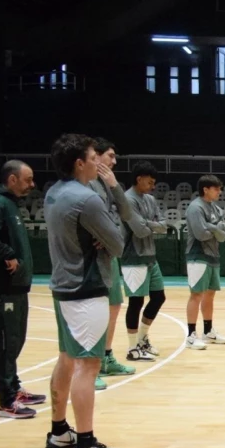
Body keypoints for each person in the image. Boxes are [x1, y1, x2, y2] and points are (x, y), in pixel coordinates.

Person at [43, 133, 130, 448]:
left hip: (61, 285)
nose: (99, 163)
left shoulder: (53, 193)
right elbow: (118, 243)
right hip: (86, 287)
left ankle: (58, 431)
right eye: (94, 158)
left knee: (66, 359)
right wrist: (103, 235)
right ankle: (86, 445)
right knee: (87, 366)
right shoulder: (87, 199)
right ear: (79, 163)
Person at [0, 159, 44, 418]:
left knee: (14, 339)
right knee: (5, 341)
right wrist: (7, 254)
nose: (32, 184)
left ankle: (13, 387)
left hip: (16, 286)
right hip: (3, 286)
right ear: (12, 179)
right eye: (27, 179)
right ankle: (6, 400)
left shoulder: (9, 203)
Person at [91, 139, 137, 386]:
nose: (114, 161)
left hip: (110, 255)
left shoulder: (108, 184)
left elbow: (127, 213)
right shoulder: (85, 184)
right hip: (92, 259)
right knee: (97, 310)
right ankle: (93, 365)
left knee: (114, 306)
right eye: (110, 155)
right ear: (95, 157)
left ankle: (106, 357)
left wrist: (114, 186)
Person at [120, 162, 169, 362]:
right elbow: (139, 230)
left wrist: (147, 224)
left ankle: (142, 339)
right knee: (136, 302)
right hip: (133, 258)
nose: (153, 186)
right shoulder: (127, 200)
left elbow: (164, 226)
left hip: (150, 257)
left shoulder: (149, 199)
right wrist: (152, 226)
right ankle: (132, 349)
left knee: (158, 297)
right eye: (150, 182)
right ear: (139, 178)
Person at [184, 174, 225, 349]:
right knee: (196, 294)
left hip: (213, 256)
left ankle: (208, 331)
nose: (220, 192)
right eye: (216, 188)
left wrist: (210, 228)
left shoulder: (217, 209)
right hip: (197, 255)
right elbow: (200, 234)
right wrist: (214, 228)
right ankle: (190, 335)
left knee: (210, 295)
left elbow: (224, 236)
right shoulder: (195, 208)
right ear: (206, 189)